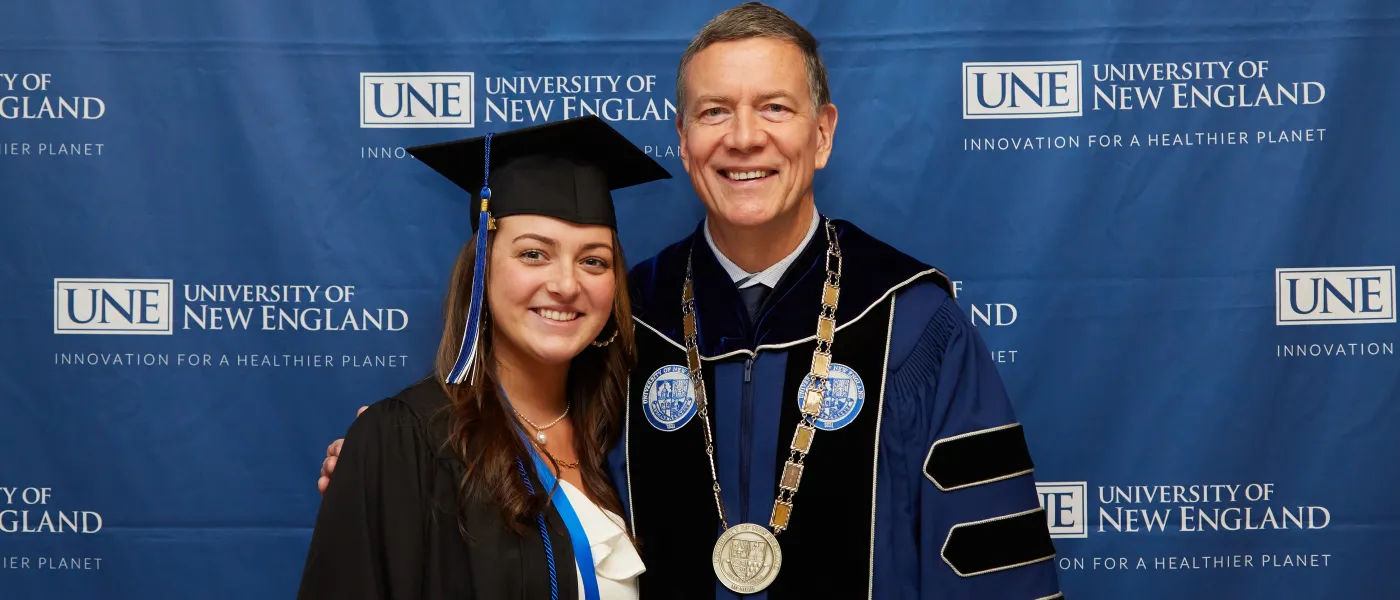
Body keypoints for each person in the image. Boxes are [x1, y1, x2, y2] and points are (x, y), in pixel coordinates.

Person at [318, 3, 1064, 598]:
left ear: (822, 134)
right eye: (714, 112)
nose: (744, 137)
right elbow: (528, 449)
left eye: (774, 108)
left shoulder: (911, 323)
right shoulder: (626, 315)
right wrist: (397, 466)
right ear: (682, 138)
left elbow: (990, 562)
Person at [297, 115, 671, 600]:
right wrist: (373, 466)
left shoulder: (628, 437)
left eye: (593, 260)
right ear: (481, 270)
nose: (566, 284)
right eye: (533, 254)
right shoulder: (408, 442)